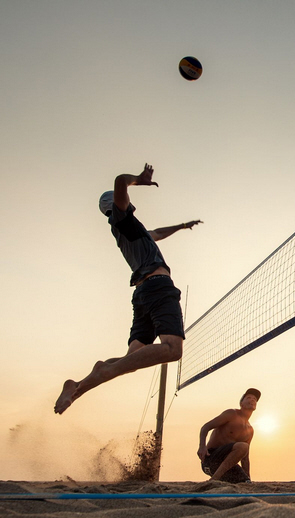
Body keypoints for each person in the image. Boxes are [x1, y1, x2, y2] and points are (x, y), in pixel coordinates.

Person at [54, 163, 202, 415]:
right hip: (157, 288)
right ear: (114, 203)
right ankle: (104, 370)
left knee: (131, 359)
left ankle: (77, 387)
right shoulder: (120, 217)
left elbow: (156, 233)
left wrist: (181, 226)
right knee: (172, 350)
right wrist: (138, 179)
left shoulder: (133, 229)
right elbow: (120, 180)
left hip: (143, 293)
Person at [197, 388, 260, 483]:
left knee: (245, 481)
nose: (252, 400)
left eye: (255, 399)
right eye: (248, 397)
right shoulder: (231, 414)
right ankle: (213, 480)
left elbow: (245, 457)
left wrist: (248, 478)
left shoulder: (250, 430)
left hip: (225, 467)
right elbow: (205, 427)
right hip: (210, 459)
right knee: (243, 446)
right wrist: (202, 446)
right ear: (241, 403)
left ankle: (219, 479)